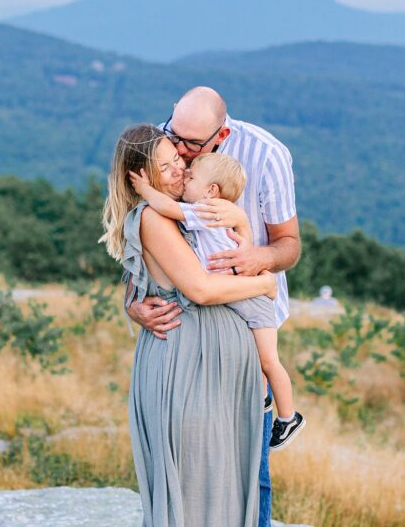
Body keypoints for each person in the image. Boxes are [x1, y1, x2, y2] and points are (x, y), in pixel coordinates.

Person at [126, 86, 300, 526]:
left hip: (244, 321)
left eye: (190, 147)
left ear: (220, 134)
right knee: (201, 469)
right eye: (173, 139)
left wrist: (259, 265)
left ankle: (287, 417)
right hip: (195, 333)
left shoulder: (266, 155)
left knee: (247, 469)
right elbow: (138, 245)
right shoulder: (165, 150)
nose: (180, 155)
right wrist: (132, 299)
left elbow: (289, 245)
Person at [130, 152, 306, 451]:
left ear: (211, 190)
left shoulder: (208, 210)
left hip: (252, 300)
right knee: (263, 362)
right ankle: (273, 407)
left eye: (191, 177)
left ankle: (288, 417)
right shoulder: (212, 207)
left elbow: (168, 208)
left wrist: (143, 190)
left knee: (268, 361)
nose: (184, 176)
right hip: (243, 294)